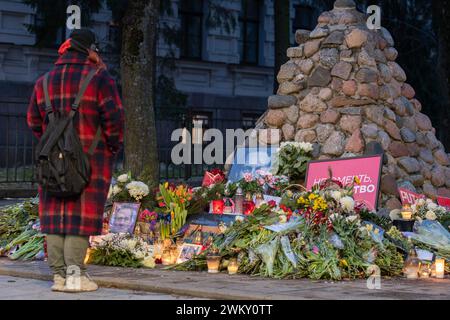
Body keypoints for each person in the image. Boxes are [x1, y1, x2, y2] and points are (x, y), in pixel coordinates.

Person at [27, 28, 124, 292]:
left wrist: (54, 144)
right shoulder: (99, 78)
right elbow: (114, 120)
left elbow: (34, 123)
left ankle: (59, 276)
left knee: (55, 216)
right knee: (78, 217)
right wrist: (110, 148)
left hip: (51, 161)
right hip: (90, 160)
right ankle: (76, 276)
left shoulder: (44, 81)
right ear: (90, 51)